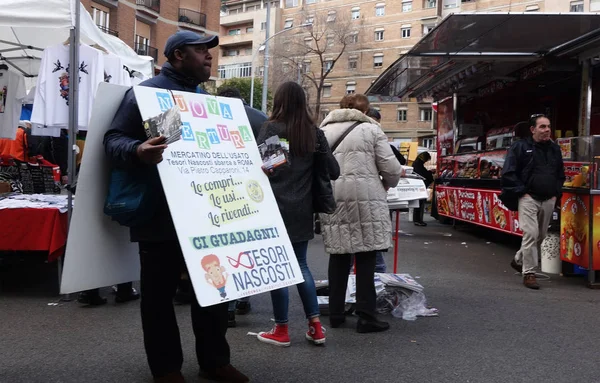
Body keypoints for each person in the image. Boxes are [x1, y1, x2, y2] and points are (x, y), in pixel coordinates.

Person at [104, 31, 248, 383]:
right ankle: (166, 369)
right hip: (160, 216)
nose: (210, 57)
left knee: (214, 291)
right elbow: (113, 140)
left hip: (206, 216)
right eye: (203, 51)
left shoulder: (205, 101)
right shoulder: (148, 94)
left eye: (210, 52)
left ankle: (214, 361)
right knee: (158, 299)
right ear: (179, 55)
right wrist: (138, 151)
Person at [255, 81, 339, 347]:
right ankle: (316, 327)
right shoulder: (313, 132)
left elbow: (271, 169)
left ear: (279, 101)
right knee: (301, 266)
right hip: (302, 209)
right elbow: (333, 171)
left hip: (274, 208)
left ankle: (281, 330)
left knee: (279, 269)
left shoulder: (272, 128)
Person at [319, 94, 402, 333]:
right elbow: (391, 170)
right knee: (366, 256)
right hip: (367, 198)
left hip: (333, 197)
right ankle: (366, 316)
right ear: (365, 111)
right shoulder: (371, 130)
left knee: (338, 255)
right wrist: (388, 182)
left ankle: (335, 314)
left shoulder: (323, 131)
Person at [215, 86, 267, 327]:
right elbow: (278, 158)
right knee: (247, 248)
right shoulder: (261, 118)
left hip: (221, 192)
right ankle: (244, 298)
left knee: (227, 249)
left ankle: (227, 308)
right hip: (253, 192)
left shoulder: (212, 116)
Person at [501, 114, 565, 290]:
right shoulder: (520, 147)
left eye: (548, 126)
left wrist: (555, 194)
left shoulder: (554, 149)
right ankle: (529, 273)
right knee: (530, 234)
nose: (547, 130)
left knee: (541, 236)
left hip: (548, 198)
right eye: (542, 127)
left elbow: (560, 173)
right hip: (528, 198)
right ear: (533, 129)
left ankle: (518, 259)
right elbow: (508, 172)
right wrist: (522, 192)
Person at [412, 152, 434, 226]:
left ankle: (417, 219)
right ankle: (418, 220)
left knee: (418, 204)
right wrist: (430, 173)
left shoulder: (417, 163)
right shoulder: (418, 165)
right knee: (420, 204)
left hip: (418, 186)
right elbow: (423, 174)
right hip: (420, 186)